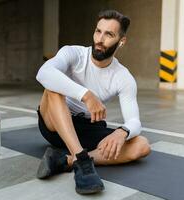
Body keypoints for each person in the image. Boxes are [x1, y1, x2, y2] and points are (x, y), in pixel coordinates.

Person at [35, 9, 151, 195]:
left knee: (141, 145)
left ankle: (65, 160)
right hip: (53, 123)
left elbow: (134, 121)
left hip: (87, 127)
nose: (100, 39)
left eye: (109, 34)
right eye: (98, 31)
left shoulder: (123, 77)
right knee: (53, 86)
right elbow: (43, 73)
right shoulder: (73, 53)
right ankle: (82, 162)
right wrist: (86, 95)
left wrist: (123, 132)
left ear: (121, 41)